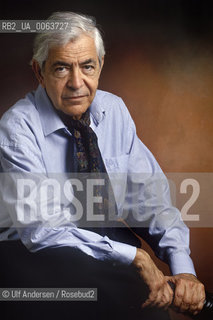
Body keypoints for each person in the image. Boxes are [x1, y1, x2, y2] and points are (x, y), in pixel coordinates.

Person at [0, 11, 205, 320]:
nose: (76, 83)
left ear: (101, 65)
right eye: (61, 68)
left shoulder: (114, 111)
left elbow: (150, 201)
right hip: (34, 253)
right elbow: (42, 230)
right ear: (39, 72)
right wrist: (135, 257)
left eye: (87, 66)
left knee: (151, 307)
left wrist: (183, 269)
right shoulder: (17, 128)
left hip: (105, 241)